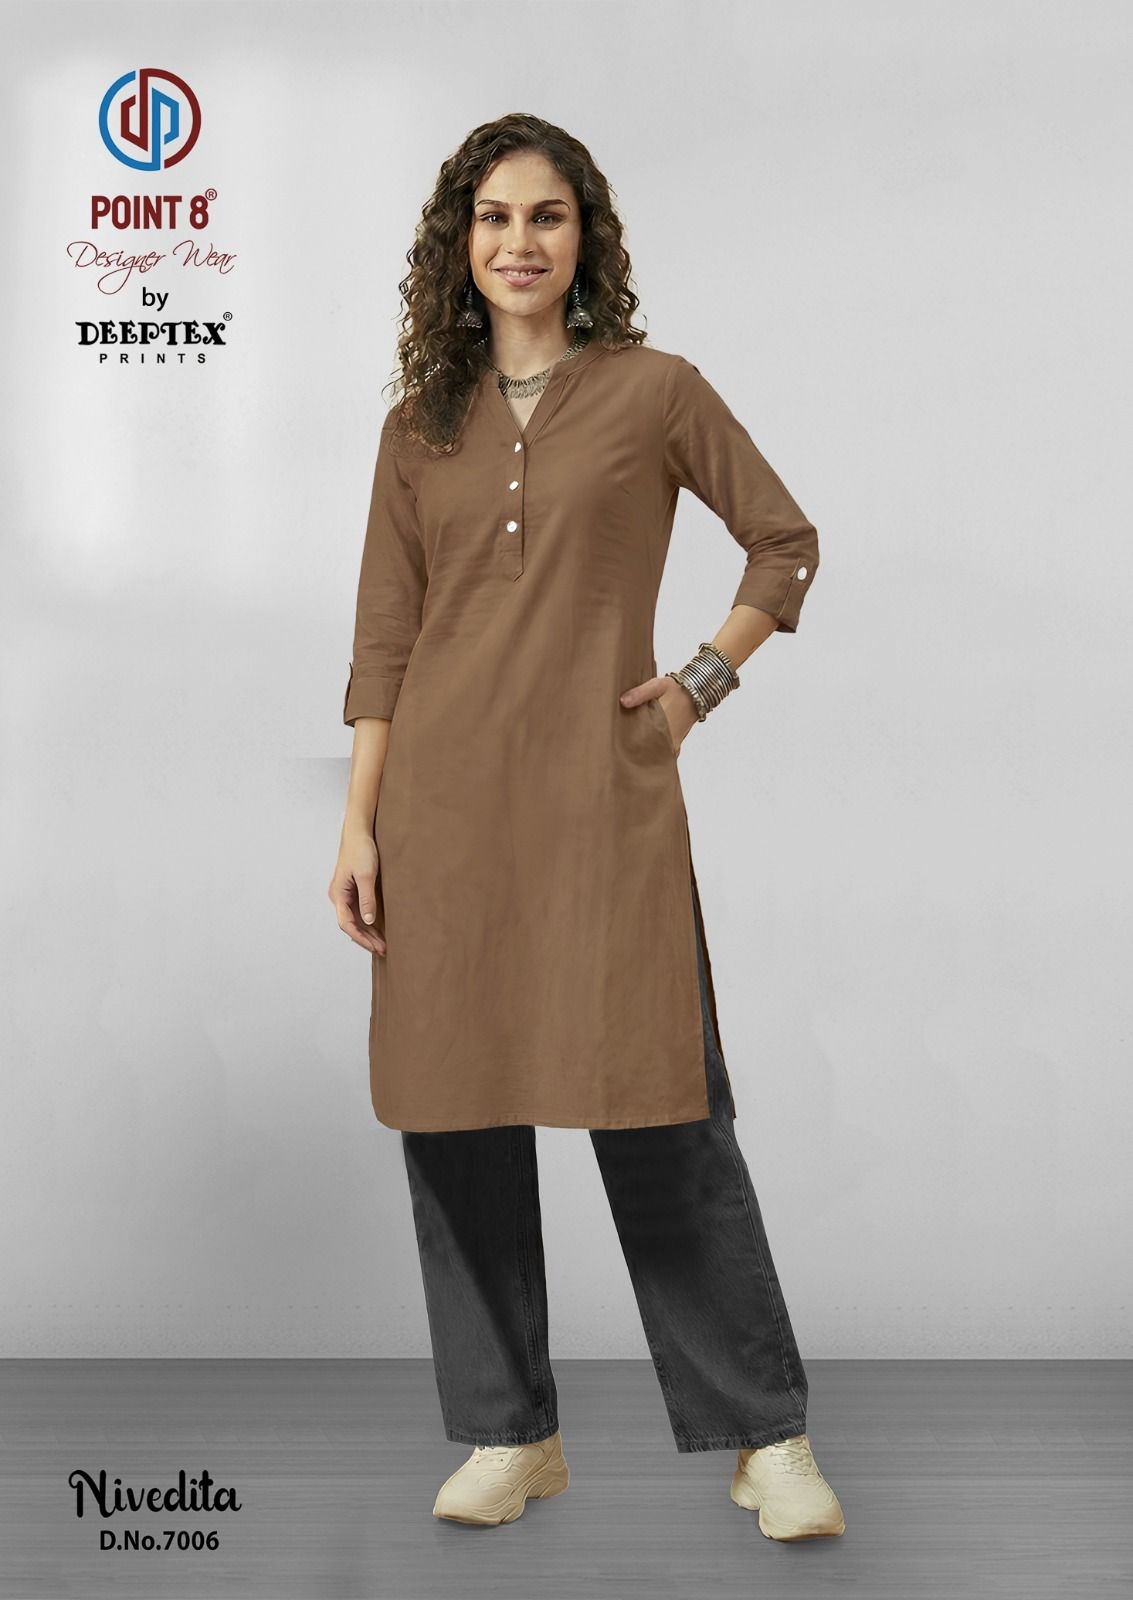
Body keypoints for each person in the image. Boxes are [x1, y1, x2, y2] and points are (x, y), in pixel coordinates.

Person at [328, 112, 845, 1543]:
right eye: (493, 218)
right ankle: (511, 1435)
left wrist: (695, 687)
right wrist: (360, 826)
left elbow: (784, 543)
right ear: (459, 243)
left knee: (659, 1103)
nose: (518, 242)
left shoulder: (652, 390)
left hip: (600, 806)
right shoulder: (418, 428)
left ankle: (767, 1437)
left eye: (545, 216)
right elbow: (383, 641)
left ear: (584, 239)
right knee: (455, 1116)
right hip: (440, 815)